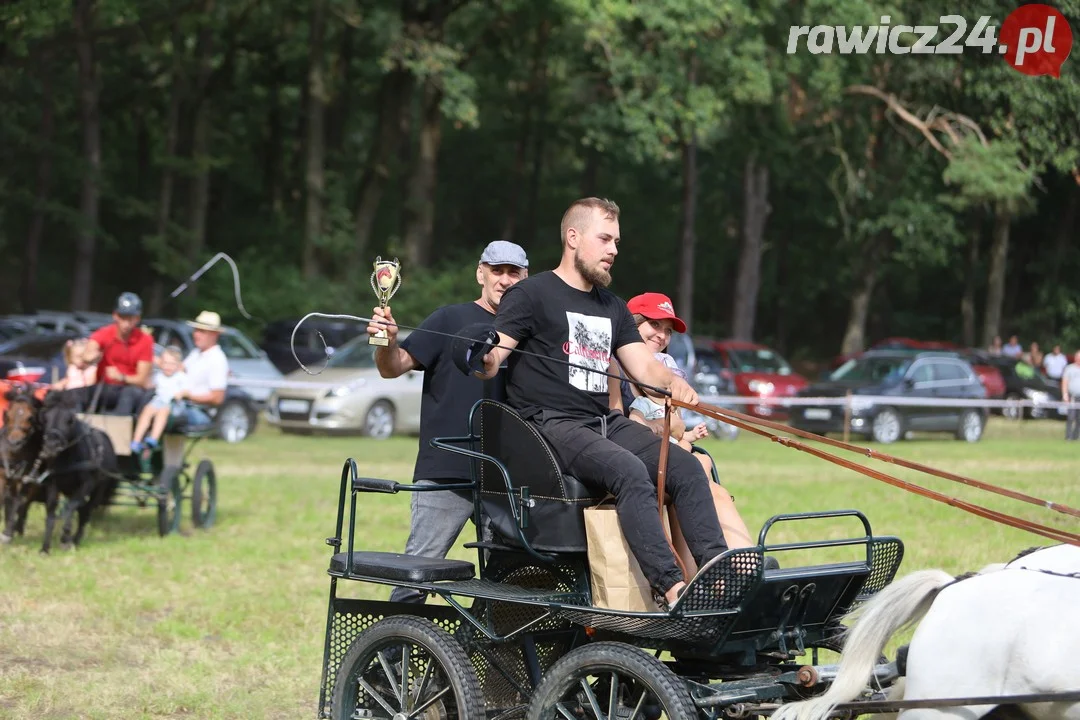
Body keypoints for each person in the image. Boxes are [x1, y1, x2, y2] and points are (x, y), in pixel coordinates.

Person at [477, 197, 729, 609]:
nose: (614, 249)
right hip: (547, 426)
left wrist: (672, 384)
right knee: (630, 473)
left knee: (683, 466)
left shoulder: (612, 307)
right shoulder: (530, 294)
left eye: (616, 241)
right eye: (605, 239)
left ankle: (720, 578)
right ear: (573, 238)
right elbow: (492, 360)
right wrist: (481, 356)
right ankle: (671, 588)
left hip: (600, 422)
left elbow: (645, 371)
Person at [366, 241, 529, 604]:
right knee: (417, 576)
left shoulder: (530, 333)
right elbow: (393, 367)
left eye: (513, 273)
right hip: (446, 470)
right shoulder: (448, 319)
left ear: (525, 278)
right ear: (480, 273)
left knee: (510, 585)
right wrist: (385, 341)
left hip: (505, 477)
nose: (504, 280)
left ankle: (480, 654)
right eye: (497, 271)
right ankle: (393, 652)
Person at [615, 292, 754, 571]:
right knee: (694, 469)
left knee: (707, 478)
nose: (662, 336)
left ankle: (746, 566)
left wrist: (681, 432)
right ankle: (719, 572)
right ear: (633, 325)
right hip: (636, 461)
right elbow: (617, 425)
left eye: (667, 331)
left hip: (668, 456)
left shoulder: (667, 374)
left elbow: (678, 426)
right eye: (654, 325)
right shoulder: (615, 371)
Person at [82, 292, 154, 415]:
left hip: (130, 389)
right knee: (79, 394)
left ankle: (119, 429)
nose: (126, 323)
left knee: (128, 394)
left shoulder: (145, 340)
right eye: (122, 317)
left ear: (137, 318)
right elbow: (88, 353)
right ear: (115, 315)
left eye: (130, 318)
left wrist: (121, 377)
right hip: (105, 388)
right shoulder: (104, 333)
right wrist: (92, 357)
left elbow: (142, 379)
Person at [171, 311, 229, 430]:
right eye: (196, 330)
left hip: (199, 411)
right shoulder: (196, 353)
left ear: (214, 335)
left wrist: (188, 395)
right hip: (182, 404)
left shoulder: (217, 359)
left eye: (202, 331)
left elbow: (217, 398)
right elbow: (180, 369)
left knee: (165, 412)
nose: (196, 334)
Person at [131, 346, 188, 454]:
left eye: (172, 364)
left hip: (172, 405)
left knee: (162, 412)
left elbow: (186, 390)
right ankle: (136, 440)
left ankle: (154, 438)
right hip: (157, 401)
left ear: (178, 365)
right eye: (165, 363)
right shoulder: (158, 375)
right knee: (147, 410)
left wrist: (181, 393)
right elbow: (150, 384)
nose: (168, 367)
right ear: (161, 363)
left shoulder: (180, 377)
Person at [1061, 350, 1080, 441]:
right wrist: (1065, 394)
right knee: (1071, 417)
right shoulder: (1069, 368)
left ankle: (1076, 436)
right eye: (1078, 357)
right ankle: (1068, 436)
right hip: (1072, 397)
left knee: (1079, 419)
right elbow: (1065, 382)